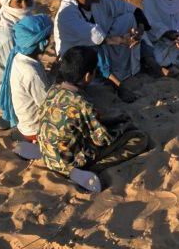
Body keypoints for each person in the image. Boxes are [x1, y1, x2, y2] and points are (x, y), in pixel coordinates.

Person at [38, 46, 149, 177]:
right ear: (87, 76)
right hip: (70, 164)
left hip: (49, 157)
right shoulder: (81, 104)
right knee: (139, 139)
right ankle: (95, 168)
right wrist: (123, 129)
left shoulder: (53, 90)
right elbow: (101, 139)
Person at [54, 0, 151, 102]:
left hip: (100, 54)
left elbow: (133, 9)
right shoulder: (67, 13)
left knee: (128, 18)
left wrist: (139, 29)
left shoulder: (100, 1)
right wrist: (123, 40)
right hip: (77, 63)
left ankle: (120, 76)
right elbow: (94, 36)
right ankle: (117, 85)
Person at [0, 14, 55, 142]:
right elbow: (47, 105)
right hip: (35, 130)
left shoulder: (19, 57)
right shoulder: (31, 72)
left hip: (26, 126)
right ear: (43, 43)